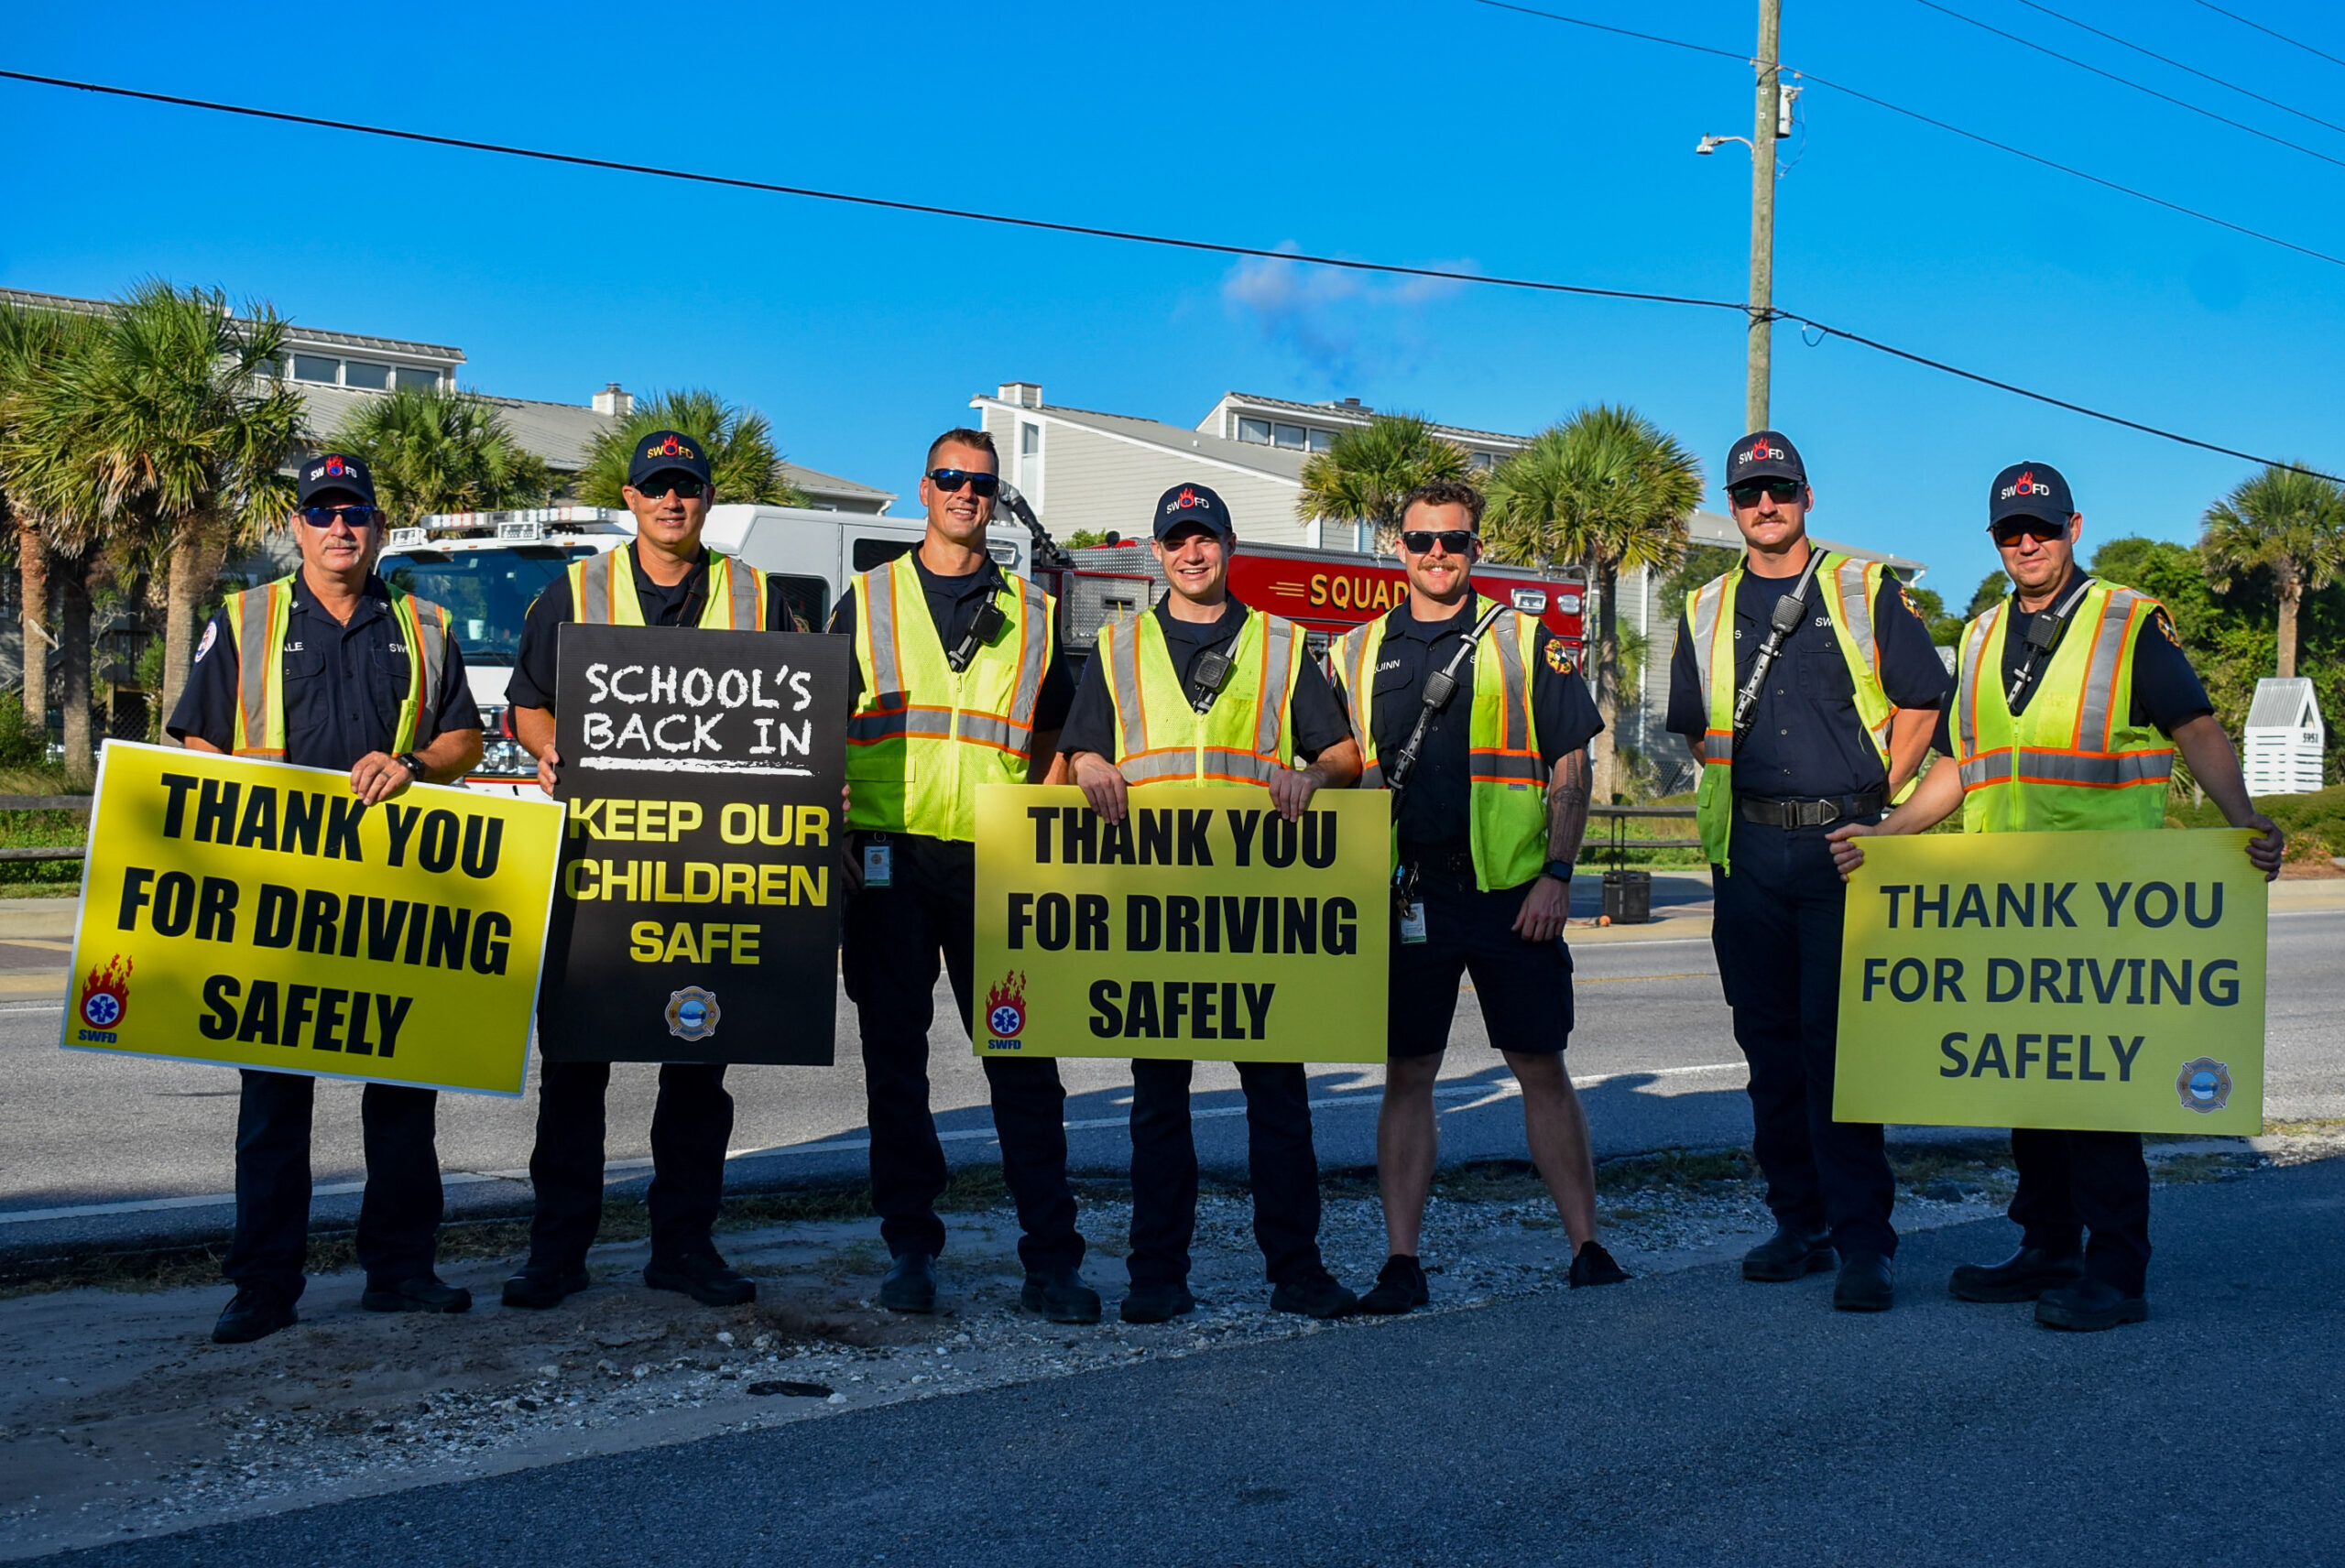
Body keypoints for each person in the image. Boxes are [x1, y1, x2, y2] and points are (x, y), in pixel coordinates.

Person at [1828, 460, 2284, 1332]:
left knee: (2099, 1093)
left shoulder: (2125, 622)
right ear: (1995, 541)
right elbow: (1964, 766)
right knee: (2029, 1080)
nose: (2026, 542)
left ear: (2074, 529)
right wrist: (1888, 838)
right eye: (2010, 531)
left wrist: (2243, 821)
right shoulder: (1983, 632)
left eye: (2041, 526)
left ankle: (2116, 1269)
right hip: (2009, 902)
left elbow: (2194, 727)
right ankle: (2046, 1246)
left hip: (2106, 901)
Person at [169, 452, 485, 1344]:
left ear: (377, 526)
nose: (339, 528)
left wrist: (415, 763)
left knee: (403, 1097)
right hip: (279, 902)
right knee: (273, 1104)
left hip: (394, 901)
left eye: (355, 514)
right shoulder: (248, 617)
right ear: (297, 526)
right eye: (323, 513)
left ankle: (401, 1269)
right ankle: (263, 1285)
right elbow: (195, 735)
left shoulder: (424, 623)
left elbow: (463, 735)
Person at [504, 429, 802, 1312]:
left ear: (706, 501)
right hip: (598, 869)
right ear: (630, 500)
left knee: (700, 1067)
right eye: (656, 488)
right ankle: (557, 1252)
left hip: (716, 878)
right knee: (576, 1073)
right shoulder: (575, 591)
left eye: (688, 488)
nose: (673, 502)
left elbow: (799, 712)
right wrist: (550, 751)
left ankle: (682, 1245)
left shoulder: (756, 597)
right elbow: (528, 706)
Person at [1058, 482, 1365, 1323]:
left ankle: (1296, 1271)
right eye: (1176, 541)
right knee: (1159, 1106)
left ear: (1230, 546)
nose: (1192, 554)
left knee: (1279, 1103)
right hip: (1155, 913)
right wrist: (1086, 766)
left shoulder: (1281, 643)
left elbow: (1342, 754)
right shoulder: (1117, 648)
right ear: (1157, 555)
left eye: (1206, 538)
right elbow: (1079, 755)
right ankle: (1158, 1274)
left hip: (1258, 913)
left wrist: (1311, 775)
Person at [1327, 477, 1626, 1316]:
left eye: (1453, 542)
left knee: (1541, 1067)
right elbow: (1343, 758)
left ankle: (1587, 1246)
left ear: (1476, 548)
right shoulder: (1354, 652)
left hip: (1510, 894)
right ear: (1397, 546)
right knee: (1408, 1072)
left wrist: (1557, 876)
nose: (1437, 556)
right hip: (1405, 893)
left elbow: (1572, 764)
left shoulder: (1529, 642)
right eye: (1422, 541)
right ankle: (1401, 1262)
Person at [1663, 430, 1947, 1312]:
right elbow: (1692, 727)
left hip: (1842, 852)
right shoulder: (1704, 606)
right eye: (1749, 494)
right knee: (1769, 1049)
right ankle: (1801, 1223)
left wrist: (1880, 800)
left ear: (1807, 497)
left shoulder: (1863, 591)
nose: (1765, 506)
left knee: (1839, 1055)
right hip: (1746, 855)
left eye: (1779, 490)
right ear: (1733, 505)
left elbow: (1922, 702)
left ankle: (1867, 1241)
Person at [828, 427, 1097, 1323]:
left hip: (995, 860)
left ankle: (1051, 1259)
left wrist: (1041, 801)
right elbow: (813, 728)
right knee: (895, 1066)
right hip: (886, 857)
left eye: (980, 482)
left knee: (1024, 1063)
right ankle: (910, 1247)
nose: (963, 493)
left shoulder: (1033, 612)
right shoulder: (864, 602)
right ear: (924, 488)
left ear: (993, 496)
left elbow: (1056, 729)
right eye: (949, 478)